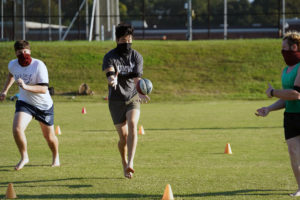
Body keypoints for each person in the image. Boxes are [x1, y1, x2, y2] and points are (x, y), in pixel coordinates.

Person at [0, 40, 60, 170]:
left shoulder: (39, 65)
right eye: (19, 53)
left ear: (30, 52)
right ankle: (24, 157)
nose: (23, 55)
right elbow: (11, 74)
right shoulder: (13, 64)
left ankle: (56, 156)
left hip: (43, 106)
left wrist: (25, 86)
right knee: (17, 129)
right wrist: (4, 91)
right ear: (15, 53)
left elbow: (44, 89)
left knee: (49, 137)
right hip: (25, 103)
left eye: (25, 52)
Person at [102, 23, 149, 179]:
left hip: (132, 97)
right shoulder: (110, 56)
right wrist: (112, 80)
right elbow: (109, 74)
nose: (127, 43)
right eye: (123, 40)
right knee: (123, 137)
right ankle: (124, 163)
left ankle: (131, 162)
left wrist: (141, 92)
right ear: (117, 40)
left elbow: (137, 78)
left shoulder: (136, 56)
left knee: (133, 125)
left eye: (129, 39)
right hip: (115, 100)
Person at [256, 31, 300, 196]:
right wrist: (269, 108)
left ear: (294, 47)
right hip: (290, 117)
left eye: (284, 48)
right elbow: (287, 99)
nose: (282, 52)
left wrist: (273, 92)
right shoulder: (285, 71)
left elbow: (296, 94)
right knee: (293, 153)